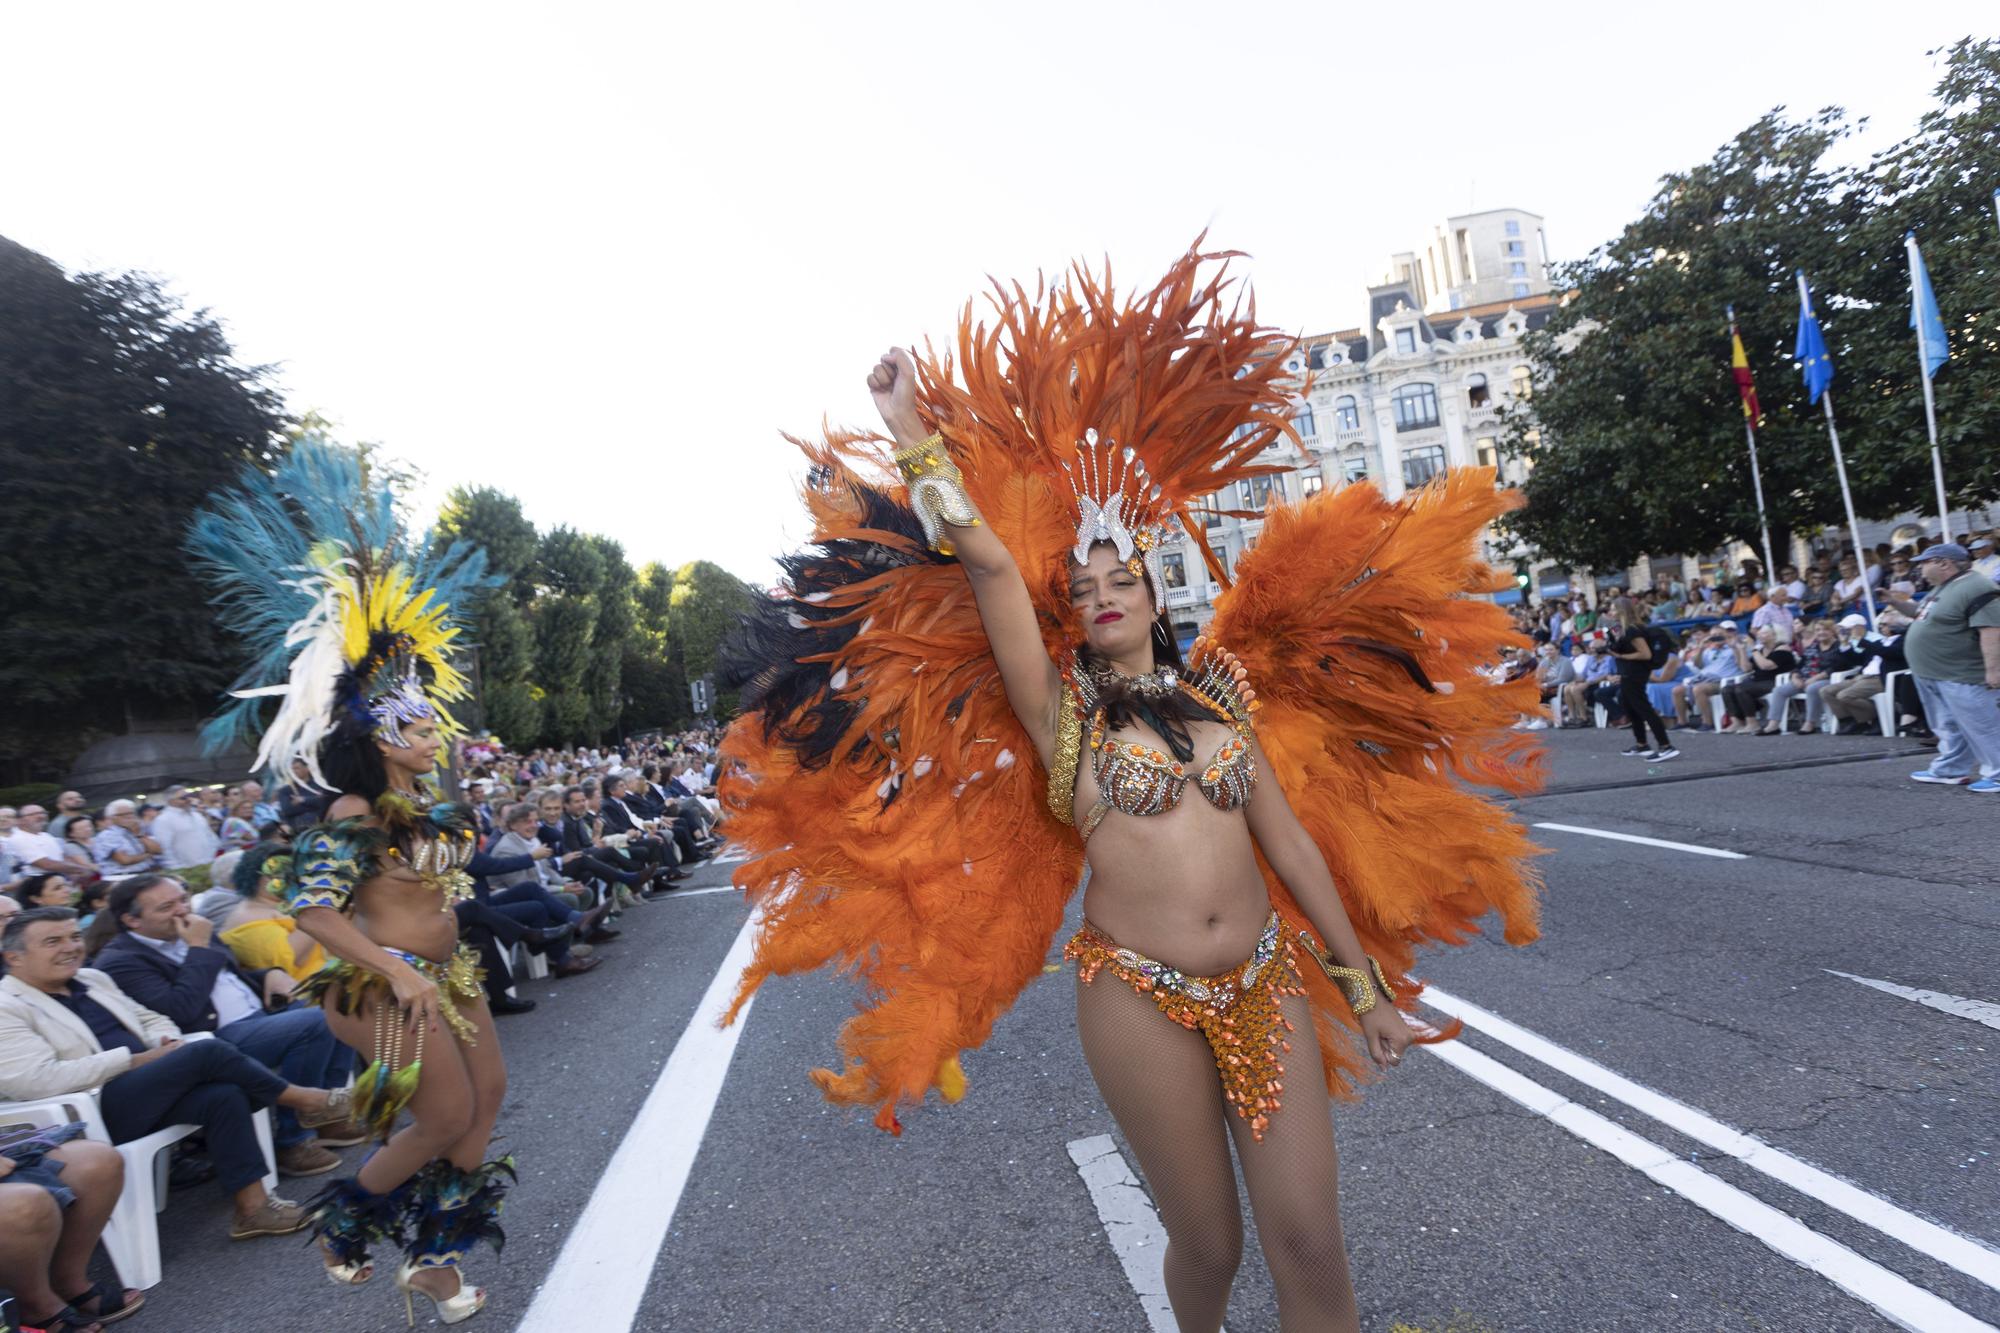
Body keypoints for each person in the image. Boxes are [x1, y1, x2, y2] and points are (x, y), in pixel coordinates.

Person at [714, 249, 1542, 1333]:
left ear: (1154, 597)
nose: (1103, 595)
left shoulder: (1218, 704)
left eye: (1124, 580)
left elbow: (1286, 850)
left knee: (1309, 1239)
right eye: (1088, 586)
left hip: (1263, 978)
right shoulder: (1062, 718)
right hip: (1136, 990)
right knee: (1209, 1244)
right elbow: (994, 572)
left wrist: (1365, 989)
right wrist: (913, 434)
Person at [190, 440, 510, 1320]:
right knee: (444, 1119)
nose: (430, 725)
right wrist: (400, 967)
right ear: (373, 728)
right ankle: (348, 1219)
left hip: (449, 974)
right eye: (409, 715)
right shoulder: (350, 816)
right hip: (381, 985)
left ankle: (439, 1261)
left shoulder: (427, 804)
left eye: (431, 709)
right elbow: (313, 911)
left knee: (488, 1099)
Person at [0, 907, 349, 1244]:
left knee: (223, 1094)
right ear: (14, 957)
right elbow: (37, 1080)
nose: (71, 947)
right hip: (90, 1111)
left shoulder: (91, 979)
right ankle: (306, 1101)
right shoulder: (7, 1005)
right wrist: (134, 1060)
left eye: (75, 937)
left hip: (146, 1088)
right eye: (53, 941)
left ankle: (253, 1209)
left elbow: (150, 1018)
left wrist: (163, 1042)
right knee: (207, 1052)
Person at [92, 874, 360, 1175]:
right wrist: (198, 948)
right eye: (167, 907)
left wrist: (268, 975)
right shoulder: (121, 960)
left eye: (183, 899)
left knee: (339, 1004)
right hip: (215, 1038)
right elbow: (180, 1009)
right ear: (132, 920)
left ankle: (328, 1120)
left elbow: (229, 980)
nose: (182, 910)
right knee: (314, 1022)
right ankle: (294, 1140)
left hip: (259, 1014)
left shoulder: (194, 929)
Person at [1883, 543, 2000, 791]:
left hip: (1963, 674)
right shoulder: (1943, 588)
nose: (1920, 567)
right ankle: (1950, 769)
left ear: (1944, 563)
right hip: (1935, 673)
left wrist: (1994, 670)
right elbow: (1923, 614)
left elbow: (1991, 629)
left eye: (1925, 562)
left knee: (1984, 725)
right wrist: (1895, 602)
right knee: (1949, 727)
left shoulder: (1977, 587)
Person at [1603, 598, 1679, 759]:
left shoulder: (1632, 630)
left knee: (1643, 708)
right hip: (1627, 672)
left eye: (1613, 608)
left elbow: (1645, 654)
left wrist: (1620, 655)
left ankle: (1666, 746)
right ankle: (1642, 744)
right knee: (1629, 706)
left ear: (1622, 610)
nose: (1611, 611)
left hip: (1635, 673)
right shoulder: (1620, 629)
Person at [1755, 620, 1852, 736]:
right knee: (1779, 691)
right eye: (1818, 630)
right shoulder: (1813, 646)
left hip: (1828, 679)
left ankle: (1810, 723)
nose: (1821, 632)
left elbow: (1838, 666)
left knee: (1812, 688)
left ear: (1832, 632)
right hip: (1805, 678)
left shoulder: (1839, 646)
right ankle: (1773, 725)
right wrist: (1795, 676)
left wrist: (1815, 678)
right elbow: (1800, 664)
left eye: (1825, 630)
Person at [1719, 626, 1797, 732]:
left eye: (1764, 633)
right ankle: (1737, 722)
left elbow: (1766, 666)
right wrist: (1741, 650)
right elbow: (1746, 668)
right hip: (1757, 681)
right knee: (1727, 689)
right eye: (1759, 633)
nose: (1759, 635)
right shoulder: (1760, 650)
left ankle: (1752, 723)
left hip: (1775, 682)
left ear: (1775, 635)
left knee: (1742, 689)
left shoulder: (1783, 649)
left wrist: (1753, 649)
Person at [4, 808, 95, 884]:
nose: (41, 816)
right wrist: (81, 869)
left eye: (43, 813)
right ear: (20, 821)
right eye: (33, 814)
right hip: (39, 885)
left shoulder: (47, 836)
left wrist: (75, 874)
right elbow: (47, 864)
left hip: (61, 882)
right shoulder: (18, 838)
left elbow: (64, 858)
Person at [148, 787, 219, 870]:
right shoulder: (163, 820)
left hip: (209, 864)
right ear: (171, 801)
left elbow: (211, 837)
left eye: (189, 796)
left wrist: (214, 858)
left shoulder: (197, 816)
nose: (188, 799)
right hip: (186, 870)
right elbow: (165, 849)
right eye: (183, 798)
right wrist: (177, 869)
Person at [88, 800, 162, 879]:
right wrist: (149, 854)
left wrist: (138, 834)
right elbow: (125, 860)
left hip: (145, 874)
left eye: (131, 813)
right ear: (112, 818)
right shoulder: (107, 835)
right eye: (123, 815)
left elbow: (158, 850)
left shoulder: (137, 830)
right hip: (121, 877)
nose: (129, 817)